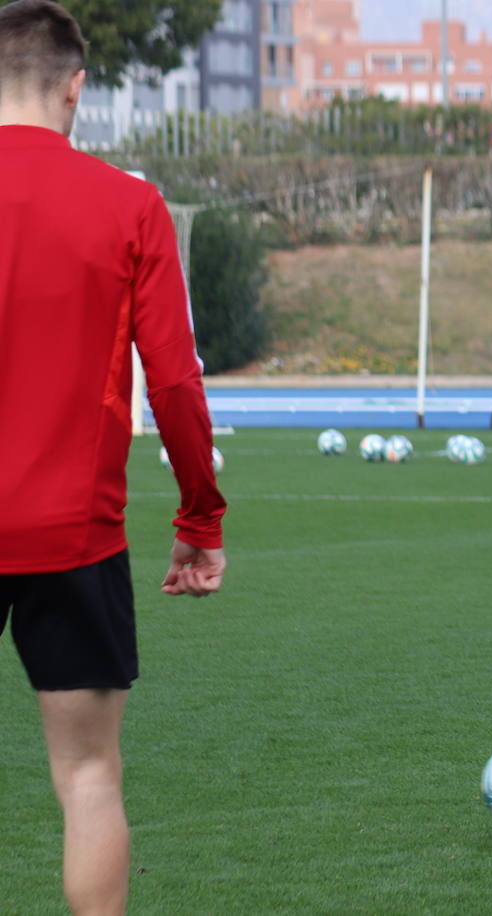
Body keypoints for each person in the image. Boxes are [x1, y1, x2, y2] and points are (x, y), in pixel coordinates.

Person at [0, 2, 227, 912]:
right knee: (89, 775)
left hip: (67, 530)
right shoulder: (129, 204)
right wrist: (199, 519)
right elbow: (174, 382)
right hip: (74, 533)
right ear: (76, 85)